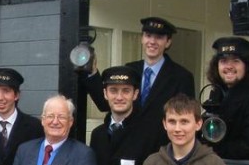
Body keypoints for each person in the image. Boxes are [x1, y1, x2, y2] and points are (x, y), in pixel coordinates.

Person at [81, 17, 195, 147]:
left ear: (168, 42)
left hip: (161, 150)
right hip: (128, 147)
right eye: (148, 35)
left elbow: (185, 118)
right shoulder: (130, 69)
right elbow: (106, 104)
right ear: (142, 38)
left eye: (159, 37)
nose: (152, 41)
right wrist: (92, 72)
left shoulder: (181, 76)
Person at [202, 37, 249, 160]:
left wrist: (211, 150)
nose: (229, 66)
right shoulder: (216, 92)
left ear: (246, 66)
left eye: (235, 61)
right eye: (223, 61)